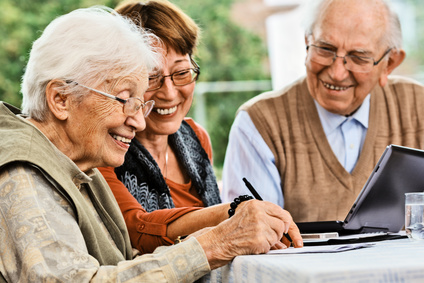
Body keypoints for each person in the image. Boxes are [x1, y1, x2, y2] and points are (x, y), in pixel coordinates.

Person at [0, 6, 302, 282]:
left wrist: (226, 238)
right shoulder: (22, 175)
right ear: (61, 99)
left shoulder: (79, 165)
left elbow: (124, 262)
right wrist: (217, 242)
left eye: (139, 102)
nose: (140, 121)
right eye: (124, 98)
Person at [222, 0, 424, 223]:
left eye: (358, 57)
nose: (337, 73)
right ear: (307, 41)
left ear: (389, 64)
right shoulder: (258, 123)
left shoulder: (418, 106)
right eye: (325, 49)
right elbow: (250, 236)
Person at [98, 0, 253, 254]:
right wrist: (234, 212)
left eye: (181, 73)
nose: (169, 94)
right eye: (151, 77)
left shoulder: (196, 138)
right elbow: (135, 231)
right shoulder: (104, 147)